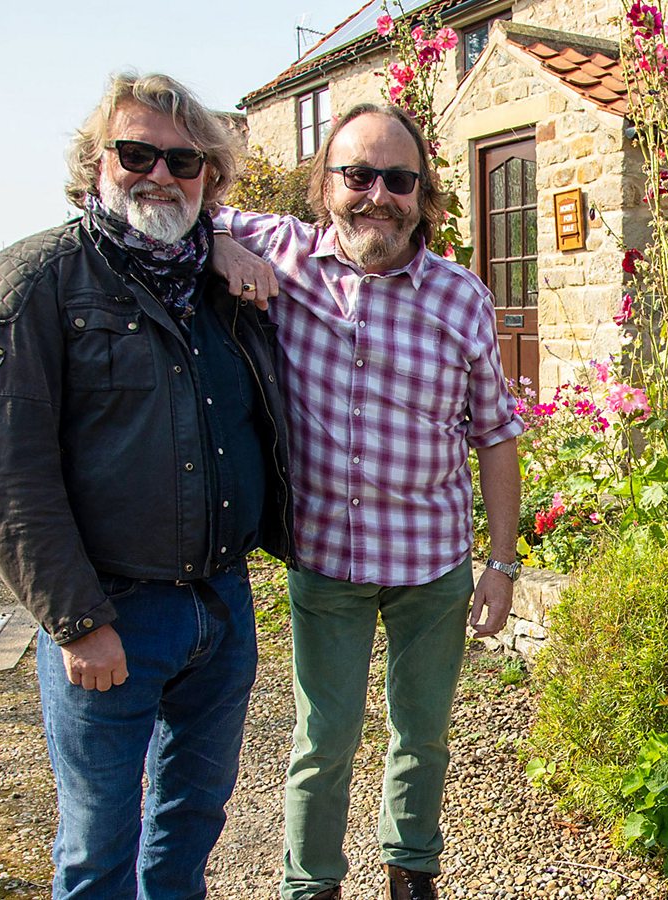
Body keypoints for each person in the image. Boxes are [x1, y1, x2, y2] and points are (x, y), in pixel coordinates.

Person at [0, 72, 291, 898]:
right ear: (94, 165)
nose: (160, 175)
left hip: (220, 603)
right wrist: (74, 621)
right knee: (100, 837)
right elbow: (4, 471)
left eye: (184, 161)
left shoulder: (223, 283)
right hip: (110, 613)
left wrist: (222, 245)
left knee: (193, 816)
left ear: (210, 176)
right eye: (136, 153)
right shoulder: (34, 282)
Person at [208, 103, 523, 900]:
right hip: (329, 561)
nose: (376, 194)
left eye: (398, 179)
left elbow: (495, 434)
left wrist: (501, 563)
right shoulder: (285, 253)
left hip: (432, 565)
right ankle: (310, 886)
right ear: (326, 185)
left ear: (422, 193)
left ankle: (411, 873)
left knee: (422, 737)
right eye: (357, 175)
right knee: (324, 739)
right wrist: (216, 244)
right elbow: (182, 206)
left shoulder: (462, 298)